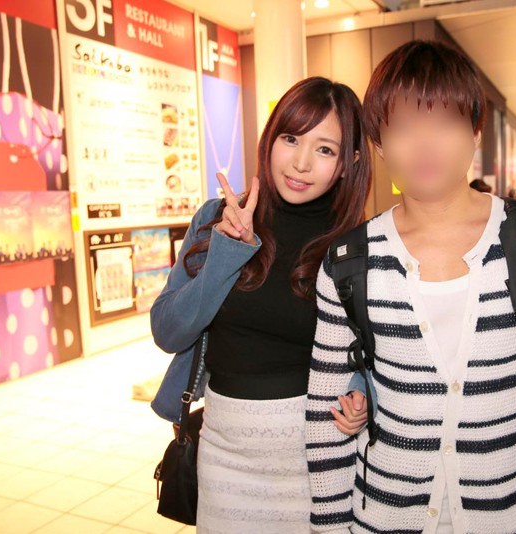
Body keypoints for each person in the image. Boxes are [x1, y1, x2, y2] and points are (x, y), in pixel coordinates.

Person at [307, 40, 516, 534]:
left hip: (504, 517)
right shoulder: (349, 260)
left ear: (475, 131)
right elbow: (324, 411)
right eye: (403, 127)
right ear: (379, 143)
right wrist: (331, 528)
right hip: (381, 518)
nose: (425, 145)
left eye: (444, 122)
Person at [149, 77, 371, 533]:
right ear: (270, 139)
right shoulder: (218, 218)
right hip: (223, 451)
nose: (301, 162)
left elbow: (371, 349)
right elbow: (168, 331)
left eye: (324, 149)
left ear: (348, 163)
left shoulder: (354, 245)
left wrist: (360, 391)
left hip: (315, 453)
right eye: (290, 139)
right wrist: (226, 254)